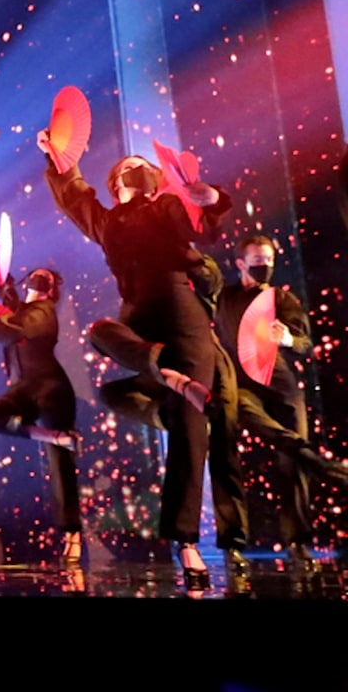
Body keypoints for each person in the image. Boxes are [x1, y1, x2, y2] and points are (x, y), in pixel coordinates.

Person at [41, 141, 229, 588]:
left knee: (190, 427)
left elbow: (198, 226)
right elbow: (74, 193)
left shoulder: (164, 204)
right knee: (100, 333)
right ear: (116, 182)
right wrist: (59, 154)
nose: (137, 167)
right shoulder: (106, 220)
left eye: (144, 165)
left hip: (180, 304)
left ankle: (185, 543)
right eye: (129, 165)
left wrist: (211, 200)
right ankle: (169, 376)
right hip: (135, 313)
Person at [212, 233, 348, 572]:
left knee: (292, 464)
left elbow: (303, 342)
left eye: (269, 262)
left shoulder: (280, 298)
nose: (265, 267)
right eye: (258, 262)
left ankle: (297, 544)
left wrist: (287, 337)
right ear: (240, 264)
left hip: (282, 388)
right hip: (240, 387)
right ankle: (232, 545)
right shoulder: (223, 298)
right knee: (226, 458)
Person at [0, 267, 82, 564]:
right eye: (36, 275)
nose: (39, 278)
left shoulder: (43, 311)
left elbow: (12, 328)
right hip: (24, 391)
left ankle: (72, 534)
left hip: (51, 390)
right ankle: (54, 437)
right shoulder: (24, 308)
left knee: (60, 465)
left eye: (45, 278)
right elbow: (9, 303)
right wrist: (0, 268)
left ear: (51, 290)